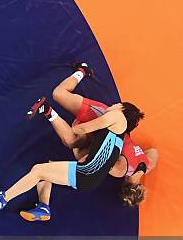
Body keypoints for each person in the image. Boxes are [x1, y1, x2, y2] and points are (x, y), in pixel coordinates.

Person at [0, 63, 136, 220]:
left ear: (122, 108)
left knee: (38, 170)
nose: (112, 105)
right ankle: (43, 207)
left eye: (117, 104)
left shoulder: (118, 117)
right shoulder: (118, 139)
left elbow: (81, 130)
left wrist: (77, 126)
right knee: (45, 169)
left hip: (87, 172)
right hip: (91, 176)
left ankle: (3, 198)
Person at [17, 62, 157, 220]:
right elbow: (96, 161)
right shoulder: (119, 171)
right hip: (101, 123)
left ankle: (48, 111)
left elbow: (153, 152)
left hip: (103, 133)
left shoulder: (146, 165)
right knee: (59, 95)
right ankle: (82, 71)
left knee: (71, 141)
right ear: (125, 185)